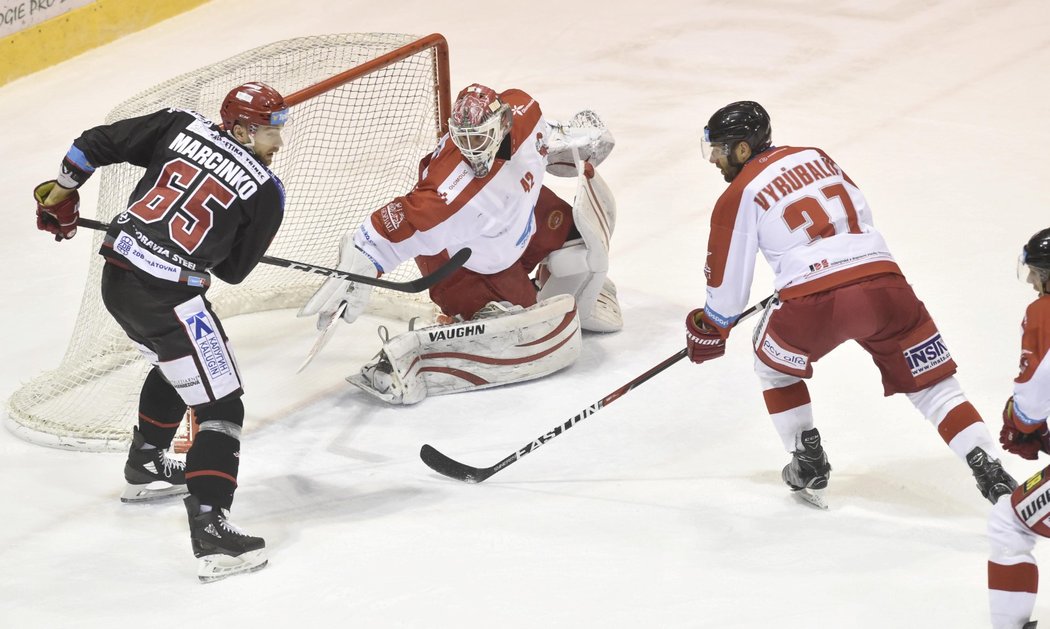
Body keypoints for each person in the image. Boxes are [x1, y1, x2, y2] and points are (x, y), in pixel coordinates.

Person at [685, 100, 1016, 509]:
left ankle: (807, 458)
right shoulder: (815, 156)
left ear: (742, 149)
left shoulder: (738, 194)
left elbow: (727, 294)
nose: (715, 160)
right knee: (932, 384)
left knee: (771, 366)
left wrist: (710, 326)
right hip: (886, 284)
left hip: (817, 302)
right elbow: (858, 211)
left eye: (719, 149)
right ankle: (985, 462)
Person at [32, 82, 288, 582]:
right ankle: (212, 530)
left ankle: (146, 464)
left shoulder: (179, 124)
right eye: (269, 132)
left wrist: (62, 189)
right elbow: (234, 271)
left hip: (118, 278)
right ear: (240, 129)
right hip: (168, 299)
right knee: (222, 403)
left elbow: (94, 142)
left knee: (174, 366)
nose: (277, 143)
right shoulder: (265, 190)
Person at [300, 83, 622, 404]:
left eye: (479, 138)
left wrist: (570, 139)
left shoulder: (523, 109)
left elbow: (545, 135)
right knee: (524, 328)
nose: (472, 151)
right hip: (467, 264)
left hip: (518, 220)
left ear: (503, 124)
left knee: (579, 243)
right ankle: (426, 350)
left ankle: (542, 279)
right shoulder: (448, 195)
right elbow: (402, 220)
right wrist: (364, 252)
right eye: (463, 140)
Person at [987, 228, 1050, 629]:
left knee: (1007, 522)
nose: (1031, 281)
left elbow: (1028, 408)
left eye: (1038, 272)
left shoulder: (1044, 314)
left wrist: (1020, 424)